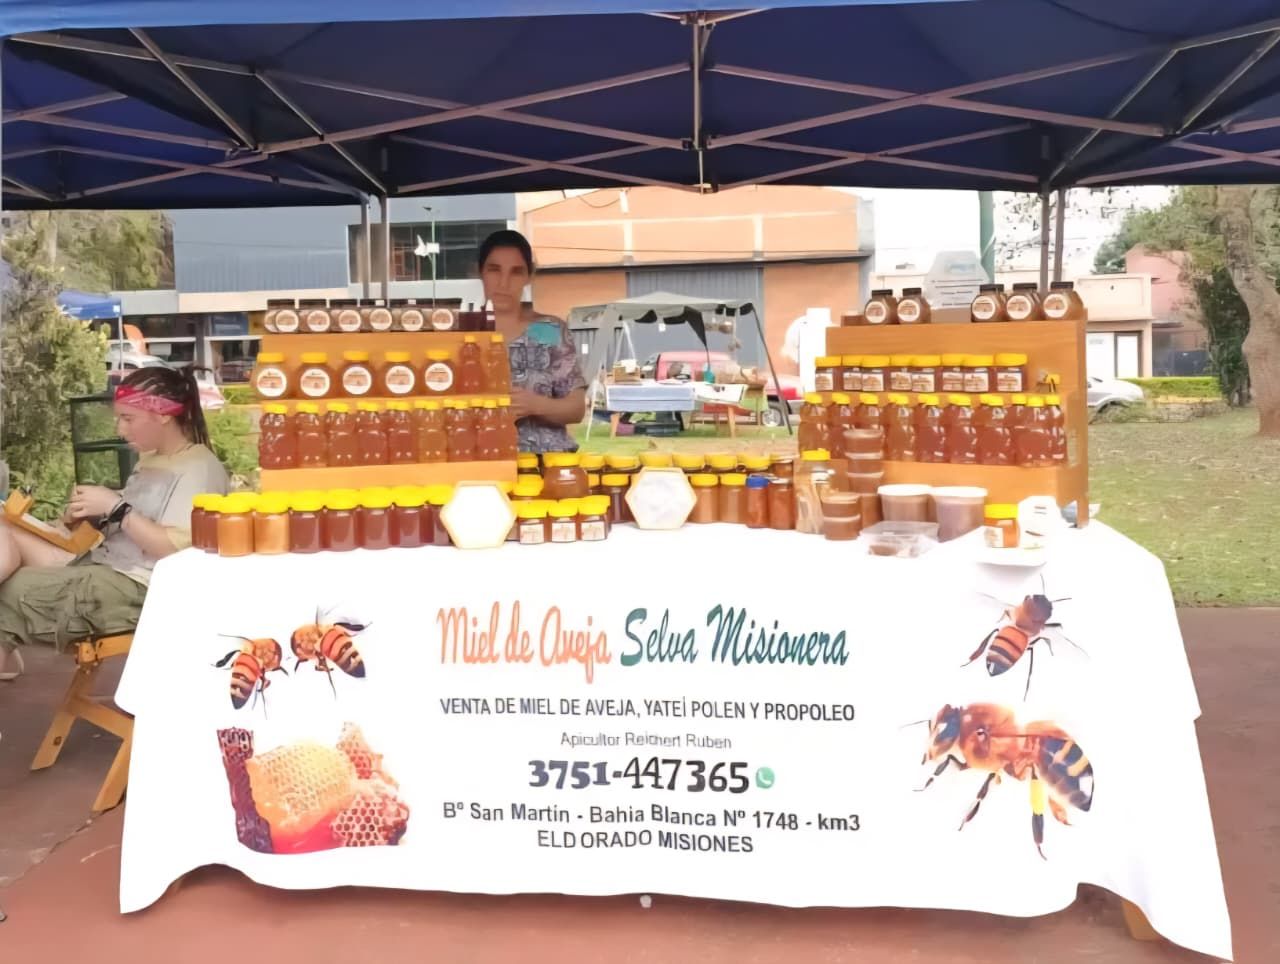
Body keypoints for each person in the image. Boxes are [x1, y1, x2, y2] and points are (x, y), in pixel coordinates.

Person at [0, 366, 229, 681]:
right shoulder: (152, 459)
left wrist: (115, 508)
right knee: (5, 531)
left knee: (10, 592)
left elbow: (171, 548)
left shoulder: (199, 468)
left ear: (163, 415)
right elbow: (131, 525)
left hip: (142, 590)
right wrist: (93, 515)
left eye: (128, 418)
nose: (121, 429)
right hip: (106, 570)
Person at [479, 229, 587, 454]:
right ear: (480, 272)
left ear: (529, 276)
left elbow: (576, 409)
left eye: (516, 272)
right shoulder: (460, 333)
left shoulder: (548, 330)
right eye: (494, 270)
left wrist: (535, 405)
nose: (504, 282)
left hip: (546, 462)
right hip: (480, 461)